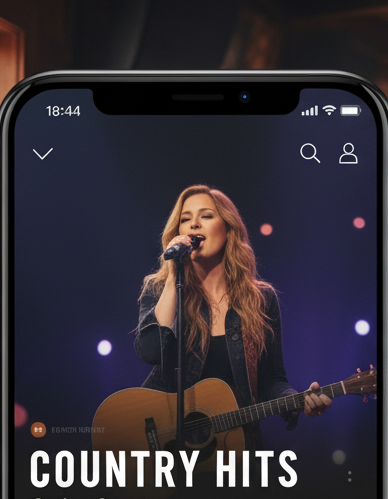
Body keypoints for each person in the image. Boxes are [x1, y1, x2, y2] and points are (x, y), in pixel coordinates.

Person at [134, 185, 331, 449]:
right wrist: (173, 276)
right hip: (168, 448)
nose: (193, 224)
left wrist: (296, 400)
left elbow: (272, 379)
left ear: (227, 230)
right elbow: (150, 352)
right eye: (185, 219)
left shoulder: (260, 300)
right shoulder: (160, 289)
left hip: (234, 449)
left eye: (205, 216)